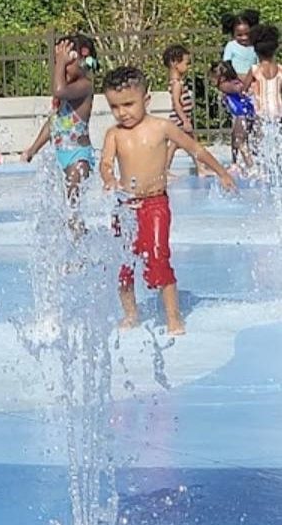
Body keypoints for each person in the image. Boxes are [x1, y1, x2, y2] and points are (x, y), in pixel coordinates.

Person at [100, 66, 235, 336]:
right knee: (124, 262)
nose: (122, 112)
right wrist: (109, 178)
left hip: (155, 205)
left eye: (128, 104)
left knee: (160, 257)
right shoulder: (114, 134)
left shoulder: (162, 127)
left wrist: (221, 173)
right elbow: (105, 163)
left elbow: (195, 148)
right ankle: (131, 314)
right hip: (126, 207)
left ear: (146, 100)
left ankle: (174, 317)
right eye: (115, 107)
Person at [21, 34, 99, 204]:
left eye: (66, 62)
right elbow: (53, 124)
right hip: (60, 155)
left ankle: (80, 231)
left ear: (83, 62)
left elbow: (58, 90)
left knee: (73, 210)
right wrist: (33, 149)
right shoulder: (66, 94)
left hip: (78, 157)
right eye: (57, 61)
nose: (61, 67)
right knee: (60, 210)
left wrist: (61, 62)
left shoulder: (85, 86)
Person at [208, 60, 256, 172]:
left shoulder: (230, 85)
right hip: (242, 114)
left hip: (243, 114)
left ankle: (251, 165)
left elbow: (241, 88)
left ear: (222, 78)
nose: (212, 81)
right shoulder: (231, 83)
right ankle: (235, 163)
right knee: (235, 138)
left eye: (213, 78)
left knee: (239, 142)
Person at [161, 44, 198, 172]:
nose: (188, 67)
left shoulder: (177, 81)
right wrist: (185, 120)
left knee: (192, 144)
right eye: (186, 63)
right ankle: (165, 170)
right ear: (175, 63)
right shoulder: (176, 83)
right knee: (175, 145)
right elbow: (176, 104)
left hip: (182, 118)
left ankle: (200, 167)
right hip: (179, 120)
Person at [243, 24, 282, 122]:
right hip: (279, 111)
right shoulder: (280, 69)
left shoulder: (255, 70)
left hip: (260, 112)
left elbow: (243, 90)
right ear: (275, 50)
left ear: (256, 51)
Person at [221, 10, 260, 79]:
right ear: (233, 35)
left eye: (247, 34)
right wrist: (233, 76)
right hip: (236, 79)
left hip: (252, 79)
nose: (244, 38)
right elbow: (226, 63)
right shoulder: (231, 46)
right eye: (239, 35)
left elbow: (258, 63)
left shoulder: (255, 46)